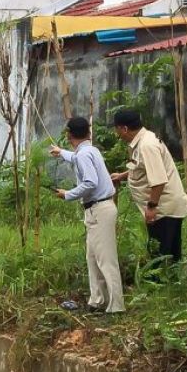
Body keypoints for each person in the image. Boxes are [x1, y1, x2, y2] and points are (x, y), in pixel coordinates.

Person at [50, 117, 124, 314]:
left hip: (99, 210)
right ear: (88, 133)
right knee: (92, 257)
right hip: (96, 210)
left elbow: (90, 182)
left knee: (106, 260)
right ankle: (97, 300)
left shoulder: (83, 155)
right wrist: (61, 153)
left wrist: (68, 194)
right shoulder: (89, 150)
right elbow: (76, 158)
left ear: (69, 135)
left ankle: (116, 307)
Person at [109, 109, 187, 264]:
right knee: (168, 253)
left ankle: (160, 285)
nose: (117, 134)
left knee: (160, 255)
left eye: (117, 129)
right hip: (165, 206)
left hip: (163, 209)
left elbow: (159, 180)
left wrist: (152, 207)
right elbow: (143, 166)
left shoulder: (147, 145)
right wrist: (122, 176)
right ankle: (170, 283)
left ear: (124, 129)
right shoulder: (143, 140)